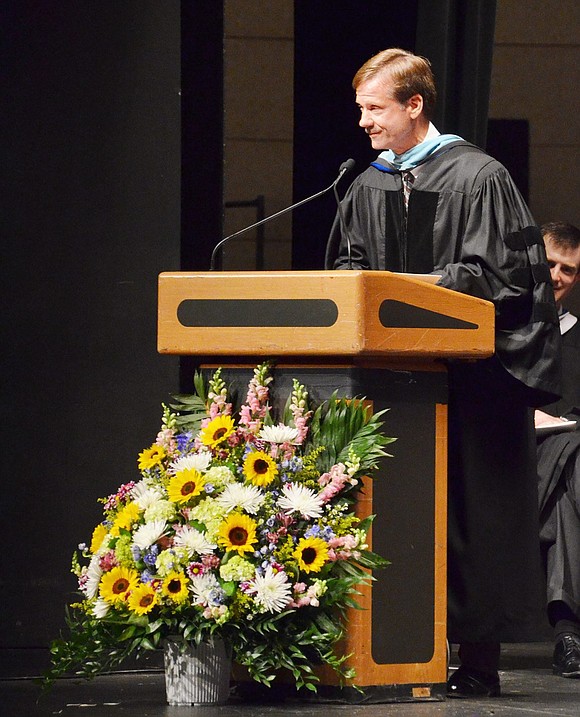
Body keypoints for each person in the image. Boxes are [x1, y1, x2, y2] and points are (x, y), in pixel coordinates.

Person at [325, 48, 562, 698]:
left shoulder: (481, 176)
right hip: (389, 383)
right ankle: (390, 650)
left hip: (473, 386)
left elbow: (506, 279)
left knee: (471, 516)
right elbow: (347, 268)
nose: (365, 122)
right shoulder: (365, 183)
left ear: (414, 105)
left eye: (375, 108)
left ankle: (475, 659)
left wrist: (412, 289)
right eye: (361, 110)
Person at [534, 221, 580, 678]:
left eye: (568, 270)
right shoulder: (497, 327)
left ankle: (568, 634)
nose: (556, 276)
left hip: (564, 469)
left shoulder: (578, 338)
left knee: (567, 499)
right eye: (549, 264)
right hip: (510, 459)